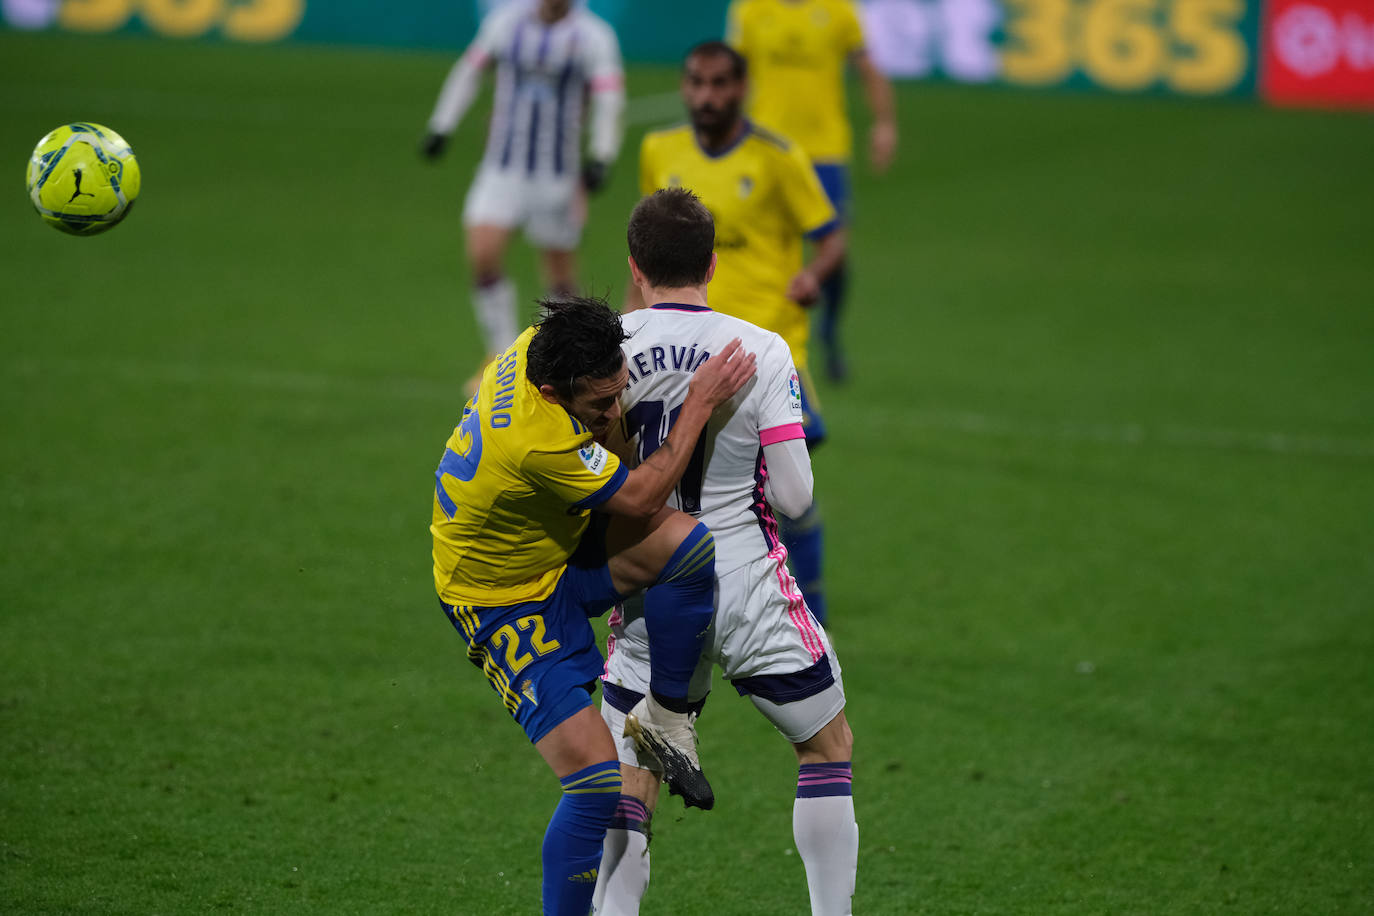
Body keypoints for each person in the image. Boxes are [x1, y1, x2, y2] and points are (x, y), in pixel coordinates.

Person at [430, 295, 756, 915]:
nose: (612, 411)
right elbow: (638, 497)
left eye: (618, 392)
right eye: (599, 405)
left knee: (687, 547)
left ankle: (666, 722)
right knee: (596, 783)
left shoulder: (540, 343)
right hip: (500, 601)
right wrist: (700, 404)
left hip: (556, 551)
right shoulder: (535, 440)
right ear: (553, 394)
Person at [593, 189, 858, 916]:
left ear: (635, 266)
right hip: (747, 582)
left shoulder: (604, 346)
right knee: (826, 746)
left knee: (633, 781)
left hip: (647, 589)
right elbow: (799, 501)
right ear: (712, 262)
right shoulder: (761, 348)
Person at [631, 40, 844, 625]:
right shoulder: (659, 149)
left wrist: (811, 274)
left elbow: (831, 236)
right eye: (696, 83)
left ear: (742, 87)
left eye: (720, 84)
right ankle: (695, 596)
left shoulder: (778, 157)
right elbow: (646, 251)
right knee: (685, 482)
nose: (707, 96)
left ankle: (809, 606)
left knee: (787, 484)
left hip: (771, 349)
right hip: (683, 350)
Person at [421, 0, 626, 391]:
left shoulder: (593, 36)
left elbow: (608, 98)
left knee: (561, 281)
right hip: (501, 168)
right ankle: (501, 358)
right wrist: (441, 125)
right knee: (483, 254)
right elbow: (471, 70)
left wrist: (602, 155)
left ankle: (563, 367)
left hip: (557, 175)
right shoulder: (506, 23)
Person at [727, 0, 899, 382]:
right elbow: (733, 73)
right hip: (764, 152)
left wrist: (884, 123)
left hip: (824, 151)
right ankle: (758, 338)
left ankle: (830, 331)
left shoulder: (838, 10)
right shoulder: (751, 9)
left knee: (834, 251)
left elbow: (867, 67)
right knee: (761, 248)